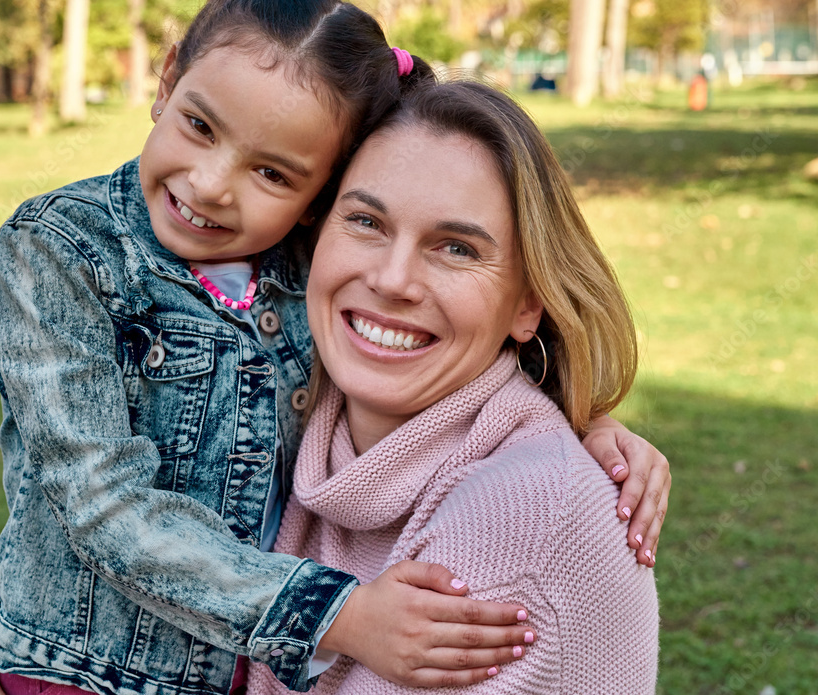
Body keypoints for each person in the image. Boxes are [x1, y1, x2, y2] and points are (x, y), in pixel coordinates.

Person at [0, 2, 669, 693]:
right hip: (71, 667)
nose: (213, 186)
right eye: (200, 126)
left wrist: (583, 435)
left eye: (272, 172)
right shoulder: (66, 250)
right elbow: (96, 498)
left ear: (309, 198)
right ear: (168, 78)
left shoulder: (293, 268)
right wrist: (337, 614)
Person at [246, 79, 660, 694]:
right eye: (365, 220)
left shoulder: (521, 510)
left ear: (529, 305)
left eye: (456, 248)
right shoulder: (282, 412)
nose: (392, 279)